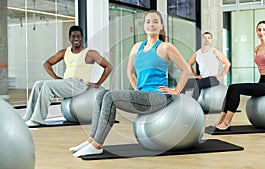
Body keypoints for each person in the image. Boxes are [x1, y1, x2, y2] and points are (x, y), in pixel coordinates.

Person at [70, 10, 191, 157]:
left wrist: (176, 90)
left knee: (110, 97)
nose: (151, 25)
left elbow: (186, 69)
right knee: (101, 94)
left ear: (161, 26)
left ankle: (97, 145)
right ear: (144, 25)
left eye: (155, 22)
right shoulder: (137, 47)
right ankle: (91, 140)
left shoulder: (166, 47)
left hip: (157, 97)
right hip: (144, 95)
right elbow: (130, 73)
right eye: (148, 22)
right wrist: (137, 90)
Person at [23, 25, 113, 127]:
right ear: (69, 38)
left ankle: (37, 120)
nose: (76, 39)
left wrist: (98, 83)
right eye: (73, 36)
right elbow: (47, 63)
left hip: (79, 84)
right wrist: (56, 78)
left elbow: (108, 67)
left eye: (78, 36)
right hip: (67, 83)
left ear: (82, 38)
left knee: (47, 85)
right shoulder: (64, 52)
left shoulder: (90, 53)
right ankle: (28, 117)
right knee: (38, 84)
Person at [182, 32, 231, 100]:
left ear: (211, 40)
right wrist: (195, 75)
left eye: (209, 38)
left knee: (197, 84)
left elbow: (227, 64)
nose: (207, 39)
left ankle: (193, 105)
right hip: (202, 78)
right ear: (202, 39)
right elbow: (189, 64)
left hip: (213, 79)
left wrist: (221, 75)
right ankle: (181, 102)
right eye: (205, 38)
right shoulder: (197, 53)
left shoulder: (215, 51)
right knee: (184, 82)